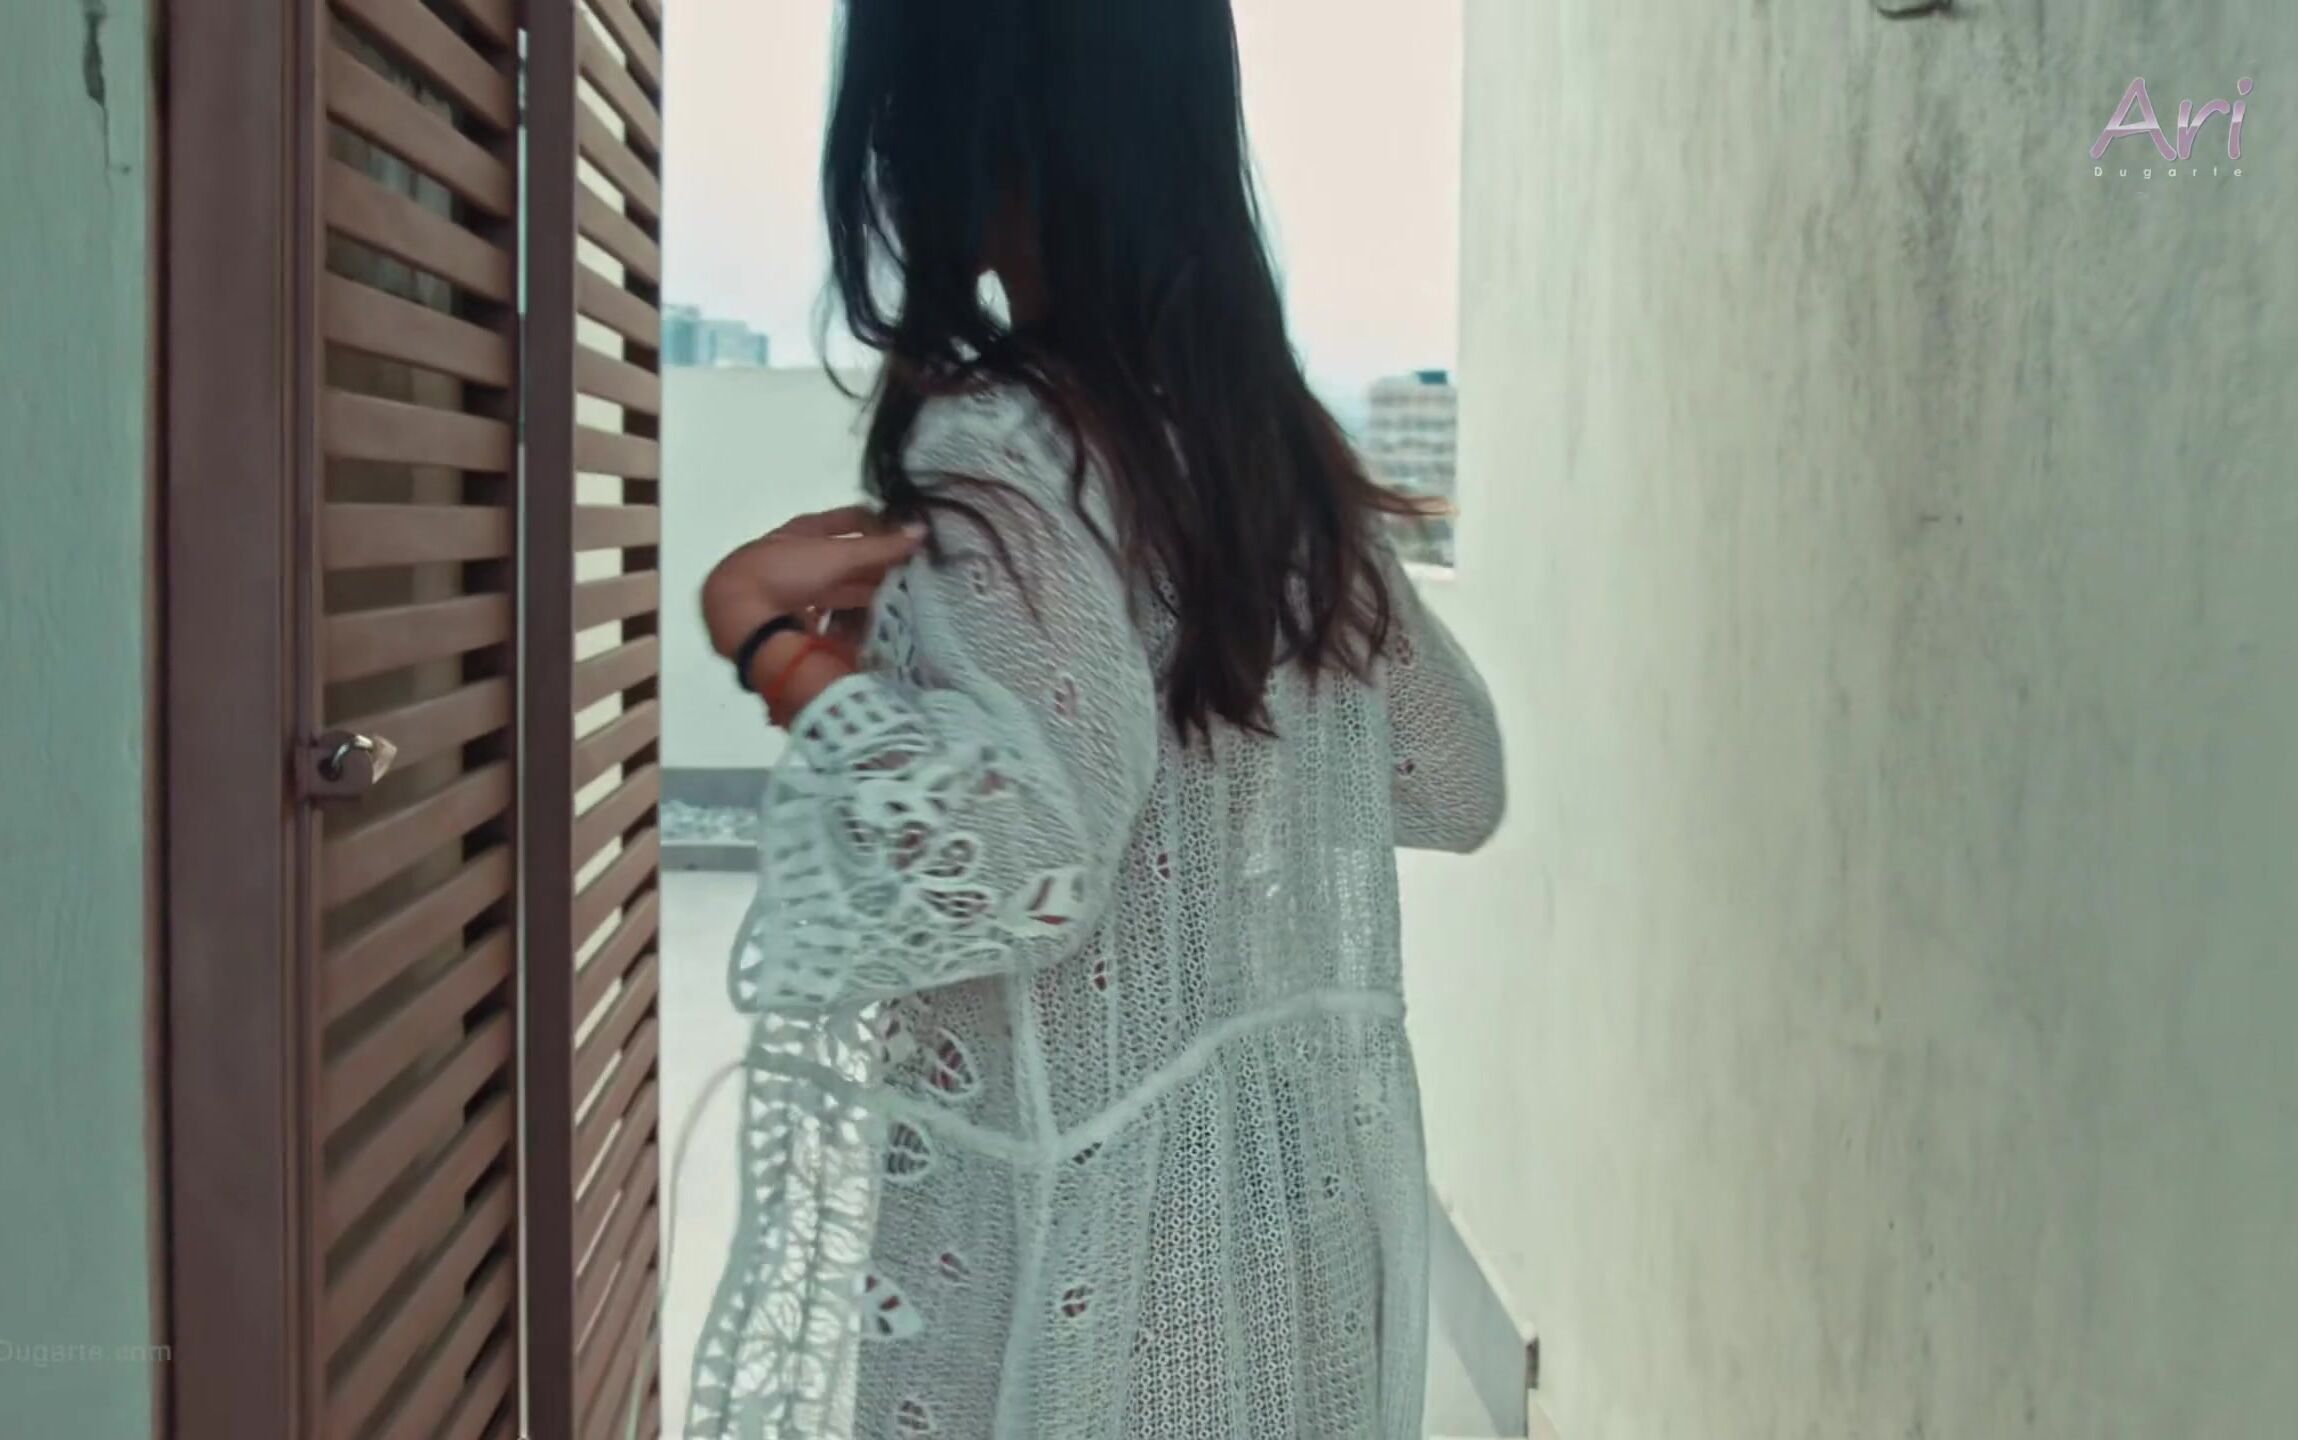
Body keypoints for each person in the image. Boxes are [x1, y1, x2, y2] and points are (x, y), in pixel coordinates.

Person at [685, 1, 1504, 1435]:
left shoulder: (1004, 448)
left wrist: (768, 644)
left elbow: (1027, 863)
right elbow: (1452, 777)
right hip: (1284, 1234)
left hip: (1075, 1265)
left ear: (950, 123)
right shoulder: (1264, 457)